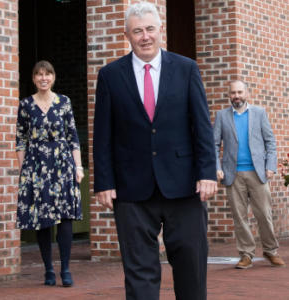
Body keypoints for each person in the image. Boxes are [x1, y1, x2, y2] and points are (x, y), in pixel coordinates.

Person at [93, 2, 218, 299]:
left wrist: (207, 172)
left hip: (185, 185)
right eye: (137, 31)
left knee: (191, 264)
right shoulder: (110, 75)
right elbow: (103, 134)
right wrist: (104, 182)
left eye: (150, 29)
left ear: (160, 29)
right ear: (127, 34)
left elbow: (201, 126)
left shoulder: (187, 69)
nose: (145, 36)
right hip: (131, 188)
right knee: (139, 273)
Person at [15, 60, 84, 287]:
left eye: (48, 74)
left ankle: (65, 268)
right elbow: (21, 140)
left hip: (62, 163)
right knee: (42, 219)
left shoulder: (64, 102)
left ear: (53, 77)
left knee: (65, 217)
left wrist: (78, 167)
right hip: (36, 166)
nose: (43, 78)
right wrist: (23, 171)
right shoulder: (25, 105)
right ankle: (48, 270)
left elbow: (73, 136)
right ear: (34, 78)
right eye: (39, 74)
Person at [214, 80, 286, 269]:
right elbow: (214, 145)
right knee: (240, 217)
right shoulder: (222, 116)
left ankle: (271, 251)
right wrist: (217, 166)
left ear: (247, 93)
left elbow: (270, 142)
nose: (236, 96)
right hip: (233, 174)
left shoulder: (259, 113)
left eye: (239, 92)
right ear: (229, 95)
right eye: (233, 93)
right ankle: (246, 254)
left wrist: (270, 166)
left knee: (264, 214)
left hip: (258, 173)